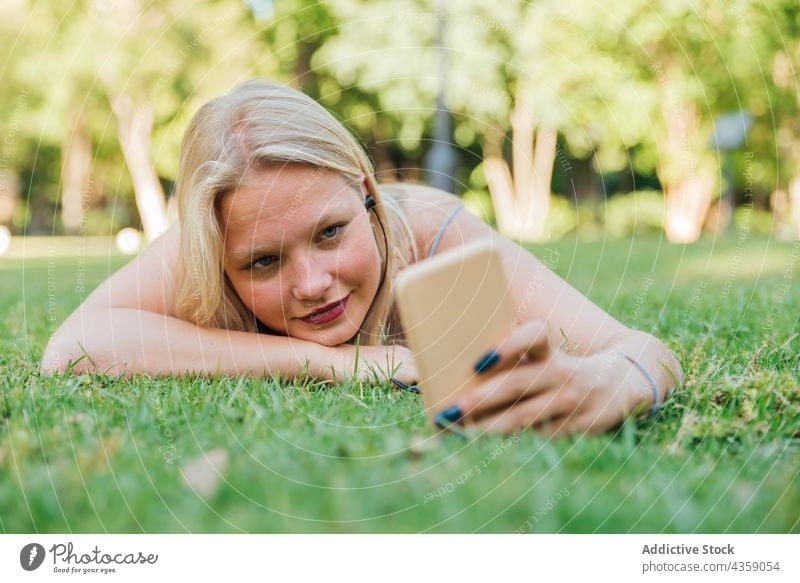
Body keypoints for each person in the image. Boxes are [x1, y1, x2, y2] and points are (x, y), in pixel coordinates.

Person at [41, 78, 683, 435]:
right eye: (263, 262)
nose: (314, 283)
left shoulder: (431, 231)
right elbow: (71, 349)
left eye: (330, 232)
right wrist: (325, 362)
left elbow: (641, 349)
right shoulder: (207, 243)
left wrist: (618, 380)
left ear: (368, 192)